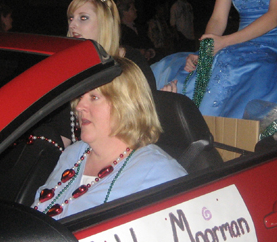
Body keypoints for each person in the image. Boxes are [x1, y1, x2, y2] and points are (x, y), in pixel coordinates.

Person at [32, 58, 186, 219]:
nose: (78, 106)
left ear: (125, 104)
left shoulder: (158, 172)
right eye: (80, 96)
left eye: (94, 97)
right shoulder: (73, 154)